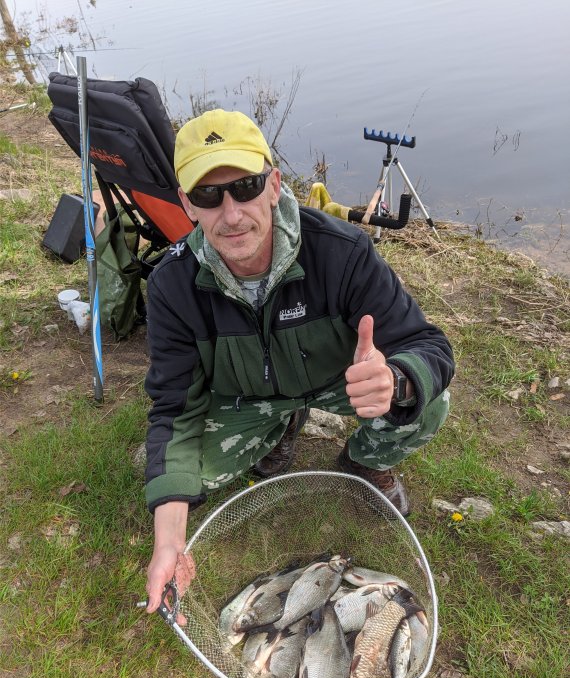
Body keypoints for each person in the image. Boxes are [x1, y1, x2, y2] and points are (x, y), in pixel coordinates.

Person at [144, 109, 454, 614]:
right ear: (187, 203)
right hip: (247, 395)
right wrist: (168, 543)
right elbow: (174, 410)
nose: (232, 214)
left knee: (429, 402)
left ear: (273, 185)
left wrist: (395, 380)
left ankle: (363, 461)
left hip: (337, 380)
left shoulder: (343, 251)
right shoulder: (171, 286)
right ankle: (282, 422)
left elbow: (427, 343)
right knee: (184, 478)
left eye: (245, 187)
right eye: (208, 195)